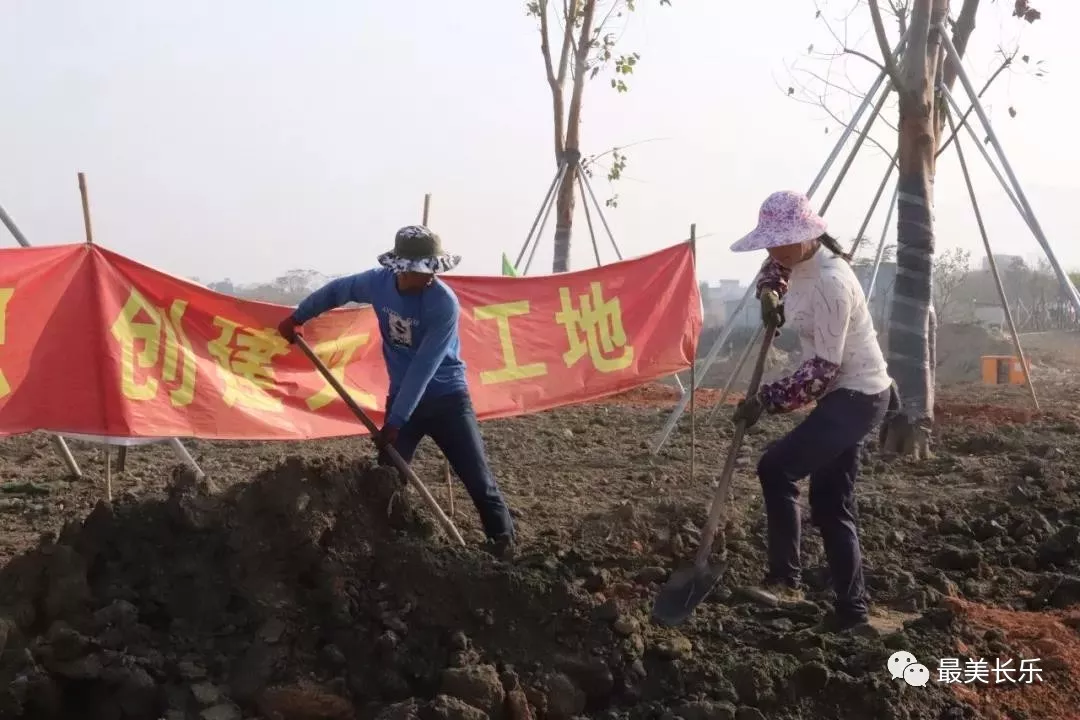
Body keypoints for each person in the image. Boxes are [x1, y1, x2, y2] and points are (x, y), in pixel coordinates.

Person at [277, 225, 516, 558]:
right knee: (387, 479)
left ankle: (504, 547)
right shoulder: (377, 283)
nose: (429, 277)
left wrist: (396, 420)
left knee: (478, 480)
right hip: (402, 399)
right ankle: (386, 550)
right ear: (402, 270)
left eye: (432, 271)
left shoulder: (443, 303)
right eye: (423, 271)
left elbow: (424, 367)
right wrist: (299, 316)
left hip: (447, 400)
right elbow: (338, 291)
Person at [729, 190, 894, 633]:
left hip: (856, 395)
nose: (773, 249)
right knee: (830, 504)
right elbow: (775, 268)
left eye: (782, 240)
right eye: (769, 241)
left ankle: (786, 580)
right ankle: (852, 613)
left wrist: (766, 399)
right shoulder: (794, 260)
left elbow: (822, 371)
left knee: (777, 468)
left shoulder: (830, 283)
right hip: (844, 396)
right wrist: (768, 293)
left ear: (808, 236)